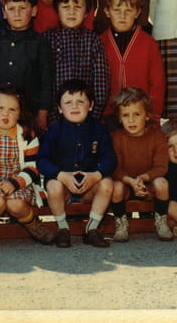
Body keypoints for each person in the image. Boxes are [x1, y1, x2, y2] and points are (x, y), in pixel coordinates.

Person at [0, 85, 54, 247]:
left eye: (12, 109)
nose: (5, 114)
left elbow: (33, 168)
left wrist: (14, 184)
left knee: (15, 204)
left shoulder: (27, 135)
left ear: (20, 113)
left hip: (20, 182)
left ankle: (33, 225)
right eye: (0, 108)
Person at [36, 80, 117, 248]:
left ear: (91, 105)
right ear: (59, 108)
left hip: (89, 186)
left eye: (81, 101)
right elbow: (42, 160)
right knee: (53, 185)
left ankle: (92, 229)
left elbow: (110, 158)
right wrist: (60, 175)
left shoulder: (99, 129)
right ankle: (63, 228)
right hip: (64, 189)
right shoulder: (54, 130)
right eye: (68, 102)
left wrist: (96, 175)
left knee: (107, 183)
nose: (75, 106)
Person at [108, 88, 172, 242]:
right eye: (125, 115)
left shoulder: (158, 136)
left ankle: (161, 221)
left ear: (147, 115)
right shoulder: (115, 138)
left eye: (136, 114)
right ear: (119, 118)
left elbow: (161, 167)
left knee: (162, 183)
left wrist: (143, 178)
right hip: (126, 184)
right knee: (116, 186)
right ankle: (121, 223)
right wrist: (130, 181)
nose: (131, 120)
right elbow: (114, 168)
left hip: (148, 184)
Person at [44, 0, 109, 124]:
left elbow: (101, 83)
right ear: (57, 10)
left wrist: (92, 117)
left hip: (87, 118)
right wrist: (50, 118)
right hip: (54, 118)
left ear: (86, 13)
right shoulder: (47, 39)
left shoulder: (93, 40)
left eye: (78, 7)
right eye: (65, 7)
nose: (71, 12)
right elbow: (43, 82)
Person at [100, 0, 165, 127]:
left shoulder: (148, 43)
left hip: (140, 114)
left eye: (128, 11)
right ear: (107, 11)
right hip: (109, 117)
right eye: (117, 10)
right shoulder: (100, 42)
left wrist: (154, 115)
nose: (122, 16)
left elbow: (157, 83)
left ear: (137, 12)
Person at [0, 0, 52, 133]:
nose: (17, 13)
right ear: (4, 12)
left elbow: (47, 81)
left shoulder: (40, 42)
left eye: (22, 8)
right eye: (11, 9)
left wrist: (43, 113)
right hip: (1, 111)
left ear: (34, 11)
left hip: (30, 111)